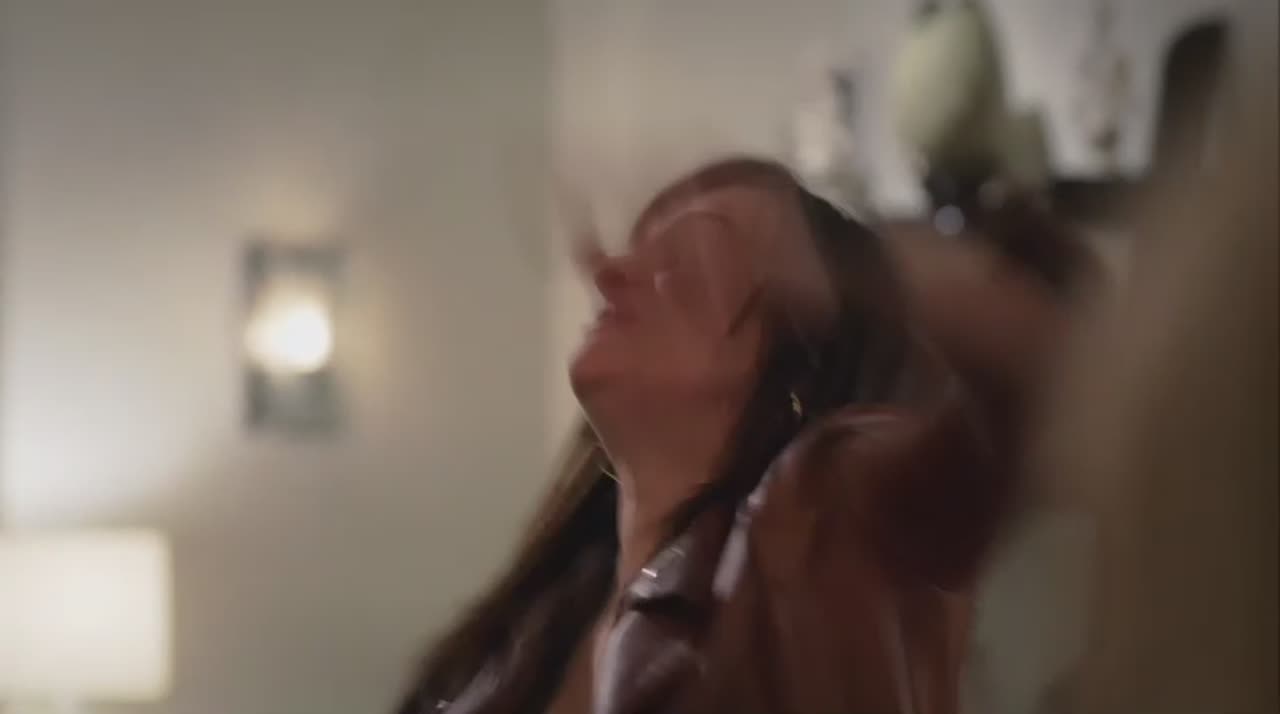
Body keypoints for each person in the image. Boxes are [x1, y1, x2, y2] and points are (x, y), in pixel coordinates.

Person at [394, 157, 1073, 714]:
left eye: (685, 266)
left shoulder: (821, 519)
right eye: (638, 250)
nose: (610, 275)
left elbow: (1037, 370)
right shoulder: (554, 609)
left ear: (798, 369)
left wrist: (870, 275)